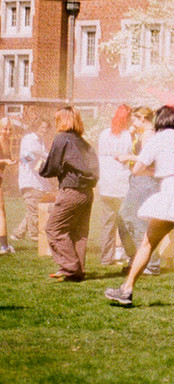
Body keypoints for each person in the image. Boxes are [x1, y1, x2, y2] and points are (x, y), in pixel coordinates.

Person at [105, 105, 174, 311]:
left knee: (148, 244)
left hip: (170, 195)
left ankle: (126, 290)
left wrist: (161, 172)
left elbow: (138, 169)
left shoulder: (157, 139)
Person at [41, 107, 99, 281]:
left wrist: (41, 169)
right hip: (87, 192)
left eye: (57, 119)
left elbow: (51, 167)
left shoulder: (61, 139)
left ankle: (70, 267)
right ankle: (78, 271)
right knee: (78, 232)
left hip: (71, 191)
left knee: (54, 228)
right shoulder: (84, 143)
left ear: (63, 120)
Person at [117, 106, 161, 275]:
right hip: (138, 180)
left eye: (135, 119)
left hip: (145, 182)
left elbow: (150, 161)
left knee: (140, 221)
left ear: (142, 118)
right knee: (124, 217)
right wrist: (132, 133)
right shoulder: (143, 134)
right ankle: (137, 258)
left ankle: (151, 264)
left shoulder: (149, 135)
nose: (132, 123)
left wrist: (128, 157)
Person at [96, 105, 133, 265]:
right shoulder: (127, 136)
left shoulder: (104, 134)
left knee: (107, 223)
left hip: (106, 183)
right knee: (124, 221)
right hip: (121, 184)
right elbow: (128, 156)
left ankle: (106, 257)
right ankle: (126, 253)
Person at [12, 118, 54, 244]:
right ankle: (36, 238)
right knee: (34, 210)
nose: (44, 130)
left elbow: (44, 157)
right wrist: (40, 154)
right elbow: (25, 159)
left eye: (46, 128)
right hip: (29, 180)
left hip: (39, 181)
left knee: (34, 209)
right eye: (42, 127)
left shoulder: (40, 141)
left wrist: (44, 157)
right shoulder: (29, 139)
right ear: (36, 126)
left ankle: (17, 234)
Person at [0, 117, 18, 254]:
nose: (7, 132)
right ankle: (3, 246)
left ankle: (3, 245)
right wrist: (5, 161)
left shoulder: (8, 142)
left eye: (10, 129)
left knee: (1, 210)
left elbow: (9, 160)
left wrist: (16, 161)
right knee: (1, 211)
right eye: (4, 129)